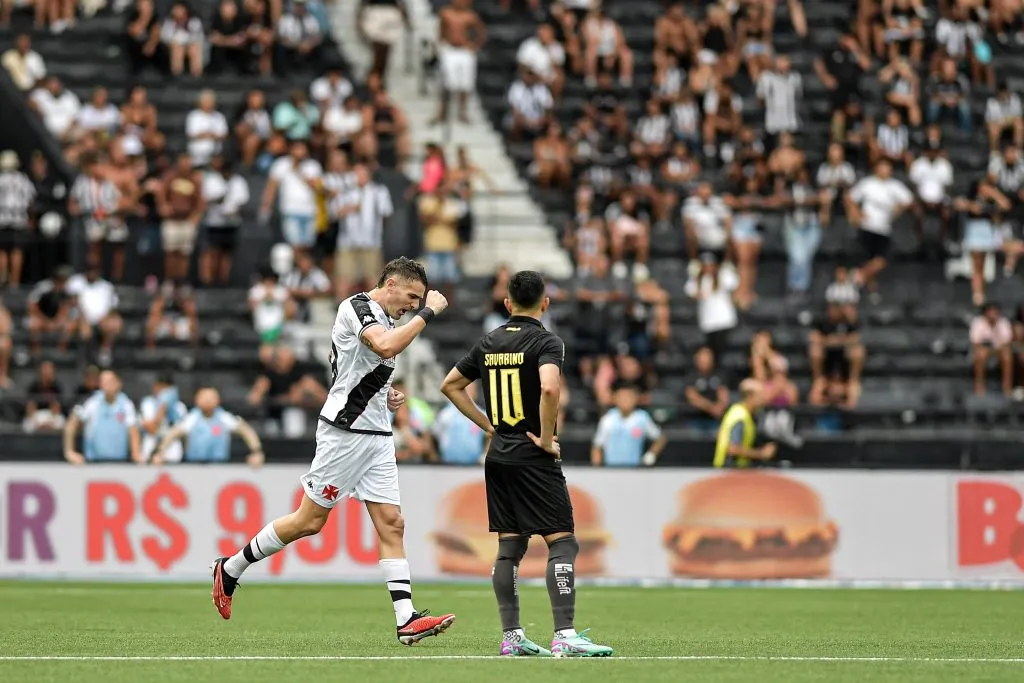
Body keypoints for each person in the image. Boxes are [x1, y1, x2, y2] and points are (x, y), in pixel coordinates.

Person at [210, 257, 456, 646]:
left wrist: (385, 394)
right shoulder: (358, 307)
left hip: (376, 434)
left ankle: (406, 619)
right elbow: (384, 345)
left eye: (418, 300)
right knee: (309, 521)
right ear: (390, 284)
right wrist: (429, 312)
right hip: (345, 433)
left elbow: (360, 367)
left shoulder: (389, 318)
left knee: (392, 523)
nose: (412, 304)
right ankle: (231, 568)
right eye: (411, 296)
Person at [440, 269, 614, 658]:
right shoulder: (546, 341)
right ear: (545, 302)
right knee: (563, 542)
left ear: (507, 303)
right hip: (533, 454)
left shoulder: (489, 342)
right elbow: (550, 386)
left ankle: (512, 637)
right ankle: (565, 635)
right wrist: (548, 437)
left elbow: (450, 384)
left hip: (499, 453)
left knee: (510, 547)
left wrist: (488, 423)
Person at [154, 387, 264, 464]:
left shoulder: (224, 417)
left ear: (218, 400)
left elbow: (246, 430)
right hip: (194, 466)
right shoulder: (191, 418)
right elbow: (173, 433)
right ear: (197, 400)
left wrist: (256, 451)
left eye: (211, 397)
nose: (207, 400)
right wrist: (160, 452)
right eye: (204, 397)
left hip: (220, 466)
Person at [63, 370, 142, 464]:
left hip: (120, 462)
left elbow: (133, 430)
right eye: (103, 381)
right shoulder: (91, 402)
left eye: (110, 381)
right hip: (93, 461)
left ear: (118, 383)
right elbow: (71, 425)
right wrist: (69, 452)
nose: (107, 385)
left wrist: (136, 453)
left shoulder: (126, 404)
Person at [433, 0, 487, 125]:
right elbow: (440, 31)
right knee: (446, 82)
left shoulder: (470, 15)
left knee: (465, 83)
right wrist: (438, 46)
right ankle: (442, 112)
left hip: (464, 50)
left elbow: (482, 31)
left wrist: (474, 45)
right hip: (449, 49)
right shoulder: (445, 13)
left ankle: (462, 113)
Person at [591, 380, 665, 467]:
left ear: (636, 398)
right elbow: (597, 447)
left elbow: (660, 439)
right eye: (622, 397)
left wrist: (651, 455)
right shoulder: (608, 419)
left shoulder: (642, 418)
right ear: (615, 399)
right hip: (611, 470)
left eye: (629, 397)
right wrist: (597, 469)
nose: (625, 400)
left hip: (635, 470)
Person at [713, 378, 776, 468]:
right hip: (729, 471)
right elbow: (733, 449)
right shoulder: (740, 416)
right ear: (750, 396)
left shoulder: (741, 412)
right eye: (760, 395)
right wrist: (761, 453)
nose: (763, 399)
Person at [432, 381, 486, 464]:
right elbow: (434, 436)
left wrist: (484, 456)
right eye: (466, 390)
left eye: (472, 390)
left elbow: (490, 437)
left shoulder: (482, 414)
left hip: (474, 466)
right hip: (448, 465)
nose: (469, 394)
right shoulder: (446, 414)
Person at [139, 373, 188, 463]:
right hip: (150, 453)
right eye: (160, 387)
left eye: (167, 388)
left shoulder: (180, 407)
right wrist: (163, 407)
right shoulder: (147, 404)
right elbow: (152, 428)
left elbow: (180, 432)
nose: (164, 392)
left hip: (172, 454)